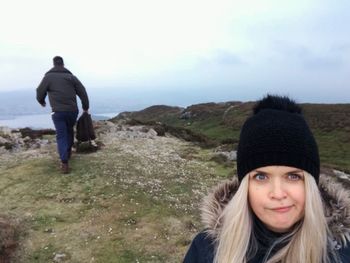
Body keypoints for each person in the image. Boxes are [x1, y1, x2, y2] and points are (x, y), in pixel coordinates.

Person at [183, 95, 350, 263]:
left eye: (293, 176)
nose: (277, 194)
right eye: (261, 176)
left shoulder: (343, 251)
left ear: (310, 184)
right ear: (245, 186)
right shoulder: (205, 249)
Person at [36, 56, 89, 174]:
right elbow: (82, 91)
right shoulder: (71, 77)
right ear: (63, 64)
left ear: (54, 64)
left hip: (58, 112)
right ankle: (68, 152)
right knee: (69, 130)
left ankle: (64, 162)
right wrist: (85, 107)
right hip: (72, 111)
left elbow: (39, 91)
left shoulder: (48, 77)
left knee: (61, 135)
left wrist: (42, 101)